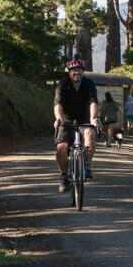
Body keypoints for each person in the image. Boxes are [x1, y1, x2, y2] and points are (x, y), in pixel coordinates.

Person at [54, 55, 100, 192]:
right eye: (73, 70)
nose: (77, 73)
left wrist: (93, 118)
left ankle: (86, 164)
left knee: (90, 134)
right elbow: (58, 103)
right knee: (61, 147)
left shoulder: (89, 83)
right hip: (66, 120)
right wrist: (58, 119)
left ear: (83, 71)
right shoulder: (63, 84)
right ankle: (63, 176)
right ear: (69, 72)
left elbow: (93, 101)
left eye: (80, 70)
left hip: (84, 119)